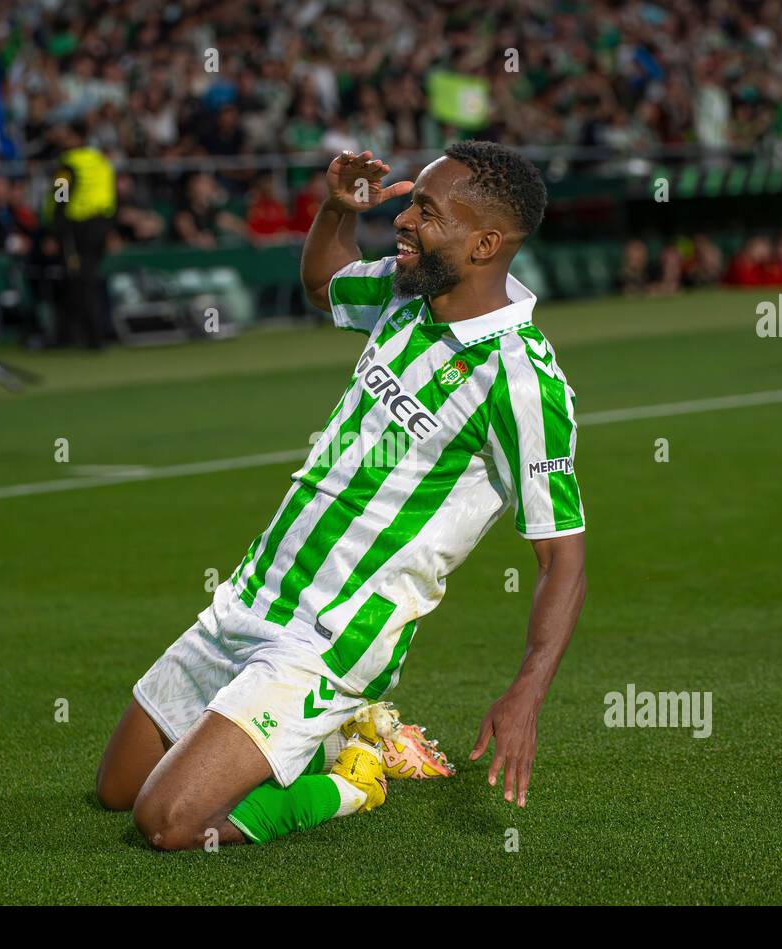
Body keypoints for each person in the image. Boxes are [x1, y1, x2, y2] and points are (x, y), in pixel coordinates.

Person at [96, 142, 587, 849]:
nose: (405, 220)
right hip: (255, 595)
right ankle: (336, 738)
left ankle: (352, 781)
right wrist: (334, 210)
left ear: (485, 243)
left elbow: (560, 559)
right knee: (117, 790)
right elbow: (324, 283)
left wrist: (527, 694)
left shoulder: (521, 382)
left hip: (328, 640)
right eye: (411, 201)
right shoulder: (404, 291)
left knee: (168, 821)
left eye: (427, 210)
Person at [52, 121, 116, 349]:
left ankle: (90, 337)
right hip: (102, 225)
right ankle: (77, 334)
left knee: (81, 281)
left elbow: (60, 196)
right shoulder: (101, 161)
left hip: (78, 228)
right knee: (87, 279)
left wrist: (56, 228)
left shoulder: (69, 164)